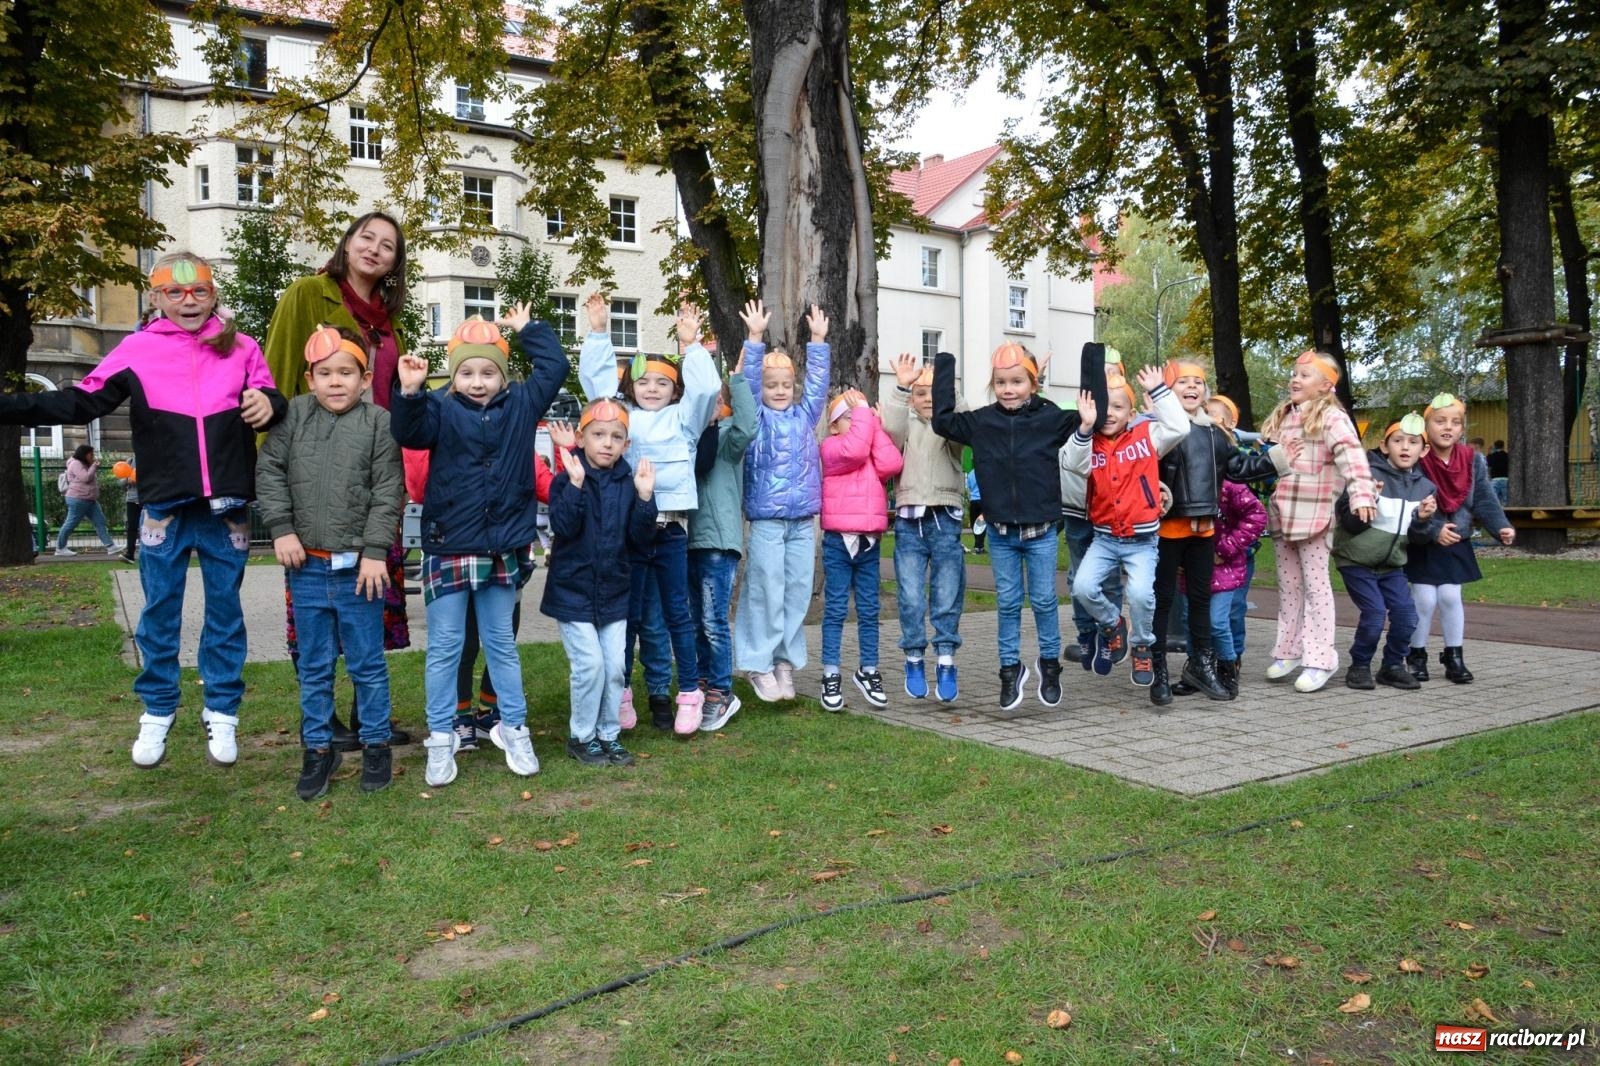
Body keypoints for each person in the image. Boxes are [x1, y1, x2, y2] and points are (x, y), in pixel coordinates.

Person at [0, 252, 286, 767]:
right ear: (155, 299)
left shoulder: (242, 345)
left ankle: (222, 711)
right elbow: (79, 402)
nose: (188, 301)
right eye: (173, 293)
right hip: (164, 507)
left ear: (213, 293)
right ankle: (158, 709)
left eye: (198, 290)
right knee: (158, 612)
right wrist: (9, 405)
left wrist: (271, 402)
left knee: (225, 613)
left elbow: (269, 395)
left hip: (227, 506)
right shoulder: (136, 349)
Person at [391, 307, 567, 787]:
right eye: (467, 372)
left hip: (501, 547)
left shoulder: (523, 405)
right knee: (446, 647)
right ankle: (442, 738)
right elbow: (408, 432)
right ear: (453, 375)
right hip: (450, 545)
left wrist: (528, 330)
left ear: (503, 376)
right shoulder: (438, 408)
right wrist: (408, 392)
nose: (477, 381)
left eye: (488, 372)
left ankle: (515, 728)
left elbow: (555, 368)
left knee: (501, 645)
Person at [263, 211, 413, 749]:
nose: (375, 249)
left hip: (373, 467)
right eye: (366, 238)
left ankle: (365, 715)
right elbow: (276, 378)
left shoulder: (385, 319)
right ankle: (319, 719)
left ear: (396, 262)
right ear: (347, 242)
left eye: (388, 246)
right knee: (314, 603)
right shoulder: (308, 294)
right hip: (316, 472)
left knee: (372, 596)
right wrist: (280, 466)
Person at [256, 326, 405, 798]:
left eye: (346, 373)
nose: (335, 382)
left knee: (367, 664)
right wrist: (281, 528)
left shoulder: (380, 422)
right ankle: (318, 748)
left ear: (364, 380)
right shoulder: (293, 417)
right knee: (315, 663)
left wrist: (376, 551)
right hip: (307, 567)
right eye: (325, 374)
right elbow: (270, 472)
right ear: (309, 378)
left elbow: (387, 490)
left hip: (360, 571)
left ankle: (376, 743)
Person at [580, 297, 720, 733]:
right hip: (632, 534)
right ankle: (621, 695)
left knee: (679, 612)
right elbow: (599, 386)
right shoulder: (625, 419)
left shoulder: (685, 420)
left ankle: (689, 696)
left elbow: (706, 391)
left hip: (672, 531)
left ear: (674, 390)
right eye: (645, 382)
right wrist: (600, 332)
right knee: (630, 616)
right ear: (632, 387)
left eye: (663, 382)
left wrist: (691, 344)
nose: (653, 388)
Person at [932, 342, 1083, 711]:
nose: (1008, 389)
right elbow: (942, 421)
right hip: (1001, 533)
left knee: (1045, 600)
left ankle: (1049, 665)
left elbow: (1092, 416)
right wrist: (944, 364)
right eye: (1001, 382)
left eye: (1017, 381)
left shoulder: (1050, 418)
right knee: (1009, 603)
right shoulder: (983, 421)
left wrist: (1092, 359)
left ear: (1033, 383)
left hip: (1042, 532)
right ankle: (1009, 669)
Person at [1152, 362, 1283, 705]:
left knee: (1198, 601)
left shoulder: (1214, 433)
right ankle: (1159, 669)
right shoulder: (1160, 430)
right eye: (1183, 382)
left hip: (1203, 530)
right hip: (1169, 529)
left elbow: (1238, 468)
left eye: (1198, 382)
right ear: (1168, 389)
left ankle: (1202, 665)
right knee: (1164, 601)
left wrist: (1279, 457)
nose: (1192, 387)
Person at [542, 400, 657, 767]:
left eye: (616, 437)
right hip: (572, 592)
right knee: (590, 666)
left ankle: (608, 734)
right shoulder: (567, 478)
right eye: (598, 435)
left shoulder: (629, 483)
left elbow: (641, 540)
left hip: (614, 593)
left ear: (626, 444)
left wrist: (644, 498)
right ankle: (582, 736)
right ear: (582, 438)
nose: (606, 443)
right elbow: (562, 526)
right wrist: (575, 485)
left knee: (615, 669)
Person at [1066, 365, 1190, 689]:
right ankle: (1112, 623)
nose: (1110, 414)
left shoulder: (1147, 436)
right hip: (1105, 538)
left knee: (1139, 594)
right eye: (1105, 407)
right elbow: (1072, 464)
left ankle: (1142, 645)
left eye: (1118, 407)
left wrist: (1161, 391)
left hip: (1142, 539)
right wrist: (1084, 426)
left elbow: (1179, 427)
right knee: (1082, 588)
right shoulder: (1088, 441)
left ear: (1132, 413)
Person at [1258, 350, 1374, 693]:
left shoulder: (1333, 419)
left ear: (1325, 386)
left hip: (1315, 516)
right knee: (1289, 585)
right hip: (1284, 513)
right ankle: (1289, 650)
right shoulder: (1286, 417)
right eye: (1294, 373)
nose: (1295, 378)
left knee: (1316, 587)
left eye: (1305, 375)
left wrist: (1362, 494)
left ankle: (1321, 658)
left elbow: (1352, 455)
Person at [734, 300, 831, 703]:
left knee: (795, 591)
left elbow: (819, 385)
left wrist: (818, 341)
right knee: (765, 589)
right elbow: (749, 383)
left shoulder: (804, 415)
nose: (778, 391)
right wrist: (754, 338)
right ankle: (757, 663)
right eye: (772, 385)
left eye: (785, 385)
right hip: (768, 521)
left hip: (801, 520)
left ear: (794, 387)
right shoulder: (756, 415)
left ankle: (784, 663)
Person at [1404, 394, 1515, 684]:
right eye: (1440, 421)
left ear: (1462, 429)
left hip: (1457, 541)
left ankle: (1454, 656)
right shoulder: (1418, 458)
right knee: (1425, 599)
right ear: (1426, 427)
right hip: (1424, 540)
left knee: (1451, 596)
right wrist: (1434, 530)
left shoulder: (1473, 459)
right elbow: (1410, 502)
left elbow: (1484, 499)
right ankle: (1416, 655)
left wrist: (1500, 526)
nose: (1448, 427)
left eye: (1455, 423)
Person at [1331, 413, 1442, 691]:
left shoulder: (1425, 487)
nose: (1405, 447)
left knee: (1407, 615)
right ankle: (1359, 665)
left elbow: (1417, 538)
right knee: (1375, 614)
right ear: (1384, 445)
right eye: (1398, 441)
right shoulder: (1365, 474)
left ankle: (1392, 666)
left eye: (1413, 442)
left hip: (1392, 565)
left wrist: (1424, 520)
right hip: (1356, 560)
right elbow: (1350, 524)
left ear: (1424, 449)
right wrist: (1370, 500)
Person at [884, 354, 967, 701]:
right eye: (921, 393)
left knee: (947, 595)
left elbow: (964, 423)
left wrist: (950, 391)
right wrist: (902, 387)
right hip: (909, 523)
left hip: (945, 518)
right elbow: (891, 427)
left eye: (935, 392)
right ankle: (914, 657)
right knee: (911, 596)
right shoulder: (907, 425)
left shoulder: (948, 426)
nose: (928, 398)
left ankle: (945, 659)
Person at [817, 389, 904, 711]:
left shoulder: (867, 444)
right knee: (837, 609)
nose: (857, 422)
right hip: (839, 541)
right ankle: (830, 673)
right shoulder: (832, 448)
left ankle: (869, 670)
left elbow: (892, 462)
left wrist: (875, 425)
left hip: (869, 542)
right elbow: (854, 450)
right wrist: (867, 416)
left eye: (860, 416)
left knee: (870, 611)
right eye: (849, 417)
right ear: (834, 425)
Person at [687, 355, 757, 732]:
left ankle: (721, 690)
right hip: (687, 541)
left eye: (717, 398)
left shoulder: (729, 435)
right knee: (695, 619)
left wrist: (738, 378)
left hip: (719, 540)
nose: (712, 405)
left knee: (714, 621)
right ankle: (701, 680)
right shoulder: (687, 435)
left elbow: (749, 424)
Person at [1200, 397, 1267, 698]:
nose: (1206, 421)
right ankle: (1206, 661)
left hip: (1237, 552)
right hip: (1204, 552)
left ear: (1228, 425)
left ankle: (1233, 658)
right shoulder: (1198, 456)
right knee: (1202, 612)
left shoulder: (1239, 463)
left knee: (1234, 609)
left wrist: (1229, 546)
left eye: (1212, 417)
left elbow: (1255, 510)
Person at [54, 444, 118, 555]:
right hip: (78, 498)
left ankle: (110, 546)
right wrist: (94, 466)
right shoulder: (75, 463)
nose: (92, 456)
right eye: (91, 454)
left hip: (89, 499)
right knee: (70, 524)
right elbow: (85, 478)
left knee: (100, 521)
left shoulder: (84, 464)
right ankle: (60, 548)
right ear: (84, 454)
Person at [113, 456, 140, 563]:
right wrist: (127, 480)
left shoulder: (150, 458)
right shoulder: (131, 460)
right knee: (131, 526)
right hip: (132, 499)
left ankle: (149, 553)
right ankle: (130, 553)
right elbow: (120, 482)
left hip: (147, 498)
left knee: (148, 526)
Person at [966, 468, 986, 553]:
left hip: (973, 501)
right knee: (982, 524)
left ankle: (978, 545)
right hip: (983, 500)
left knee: (974, 523)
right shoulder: (985, 471)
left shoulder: (970, 474)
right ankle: (979, 546)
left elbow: (968, 488)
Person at [1486, 439, 1510, 504]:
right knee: (1505, 498)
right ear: (1503, 446)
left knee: (1494, 498)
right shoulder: (1507, 455)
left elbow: (1488, 464)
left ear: (1495, 447)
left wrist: (1489, 452)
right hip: (1505, 478)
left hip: (1495, 479)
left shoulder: (1492, 456)